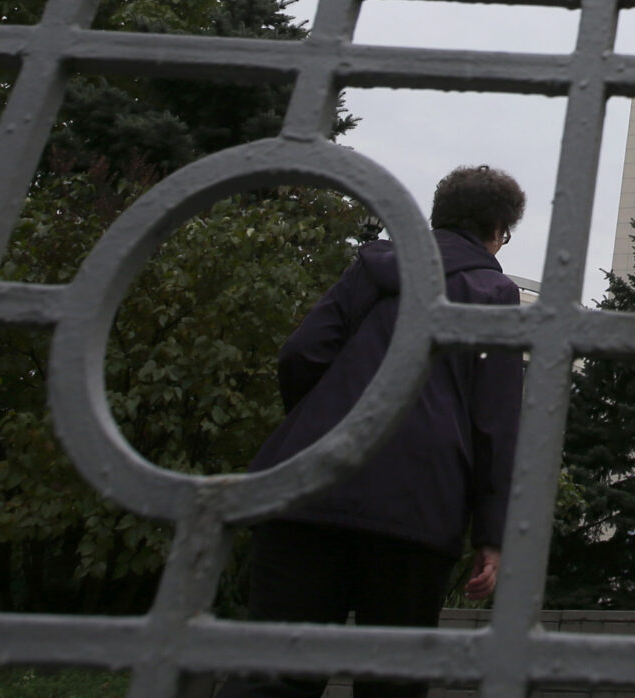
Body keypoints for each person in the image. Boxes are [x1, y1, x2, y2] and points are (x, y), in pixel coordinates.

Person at [219, 166, 528, 698]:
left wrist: (323, 422)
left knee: (272, 674)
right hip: (417, 506)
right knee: (392, 681)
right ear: (497, 230)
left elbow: (301, 353)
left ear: (438, 217)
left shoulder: (375, 265)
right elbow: (495, 421)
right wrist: (491, 535)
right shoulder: (494, 292)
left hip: (310, 487)